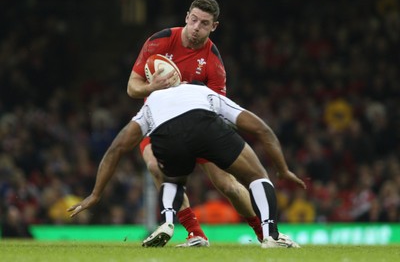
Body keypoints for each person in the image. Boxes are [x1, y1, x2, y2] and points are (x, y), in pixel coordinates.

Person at [68, 83, 306, 248]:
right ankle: (270, 235)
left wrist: (96, 194)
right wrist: (282, 168)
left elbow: (116, 149)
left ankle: (169, 220)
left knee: (172, 178)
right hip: (204, 123)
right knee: (255, 175)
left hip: (165, 134)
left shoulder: (151, 103)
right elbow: (261, 129)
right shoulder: (200, 90)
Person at [126, 0, 262, 246]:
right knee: (156, 167)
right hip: (159, 121)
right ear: (187, 16)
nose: (196, 27)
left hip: (199, 125)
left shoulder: (214, 62)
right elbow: (132, 88)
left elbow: (218, 109)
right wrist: (151, 86)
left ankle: (266, 235)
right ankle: (195, 233)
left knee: (227, 184)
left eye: (204, 23)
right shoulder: (160, 41)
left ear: (214, 27)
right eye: (194, 19)